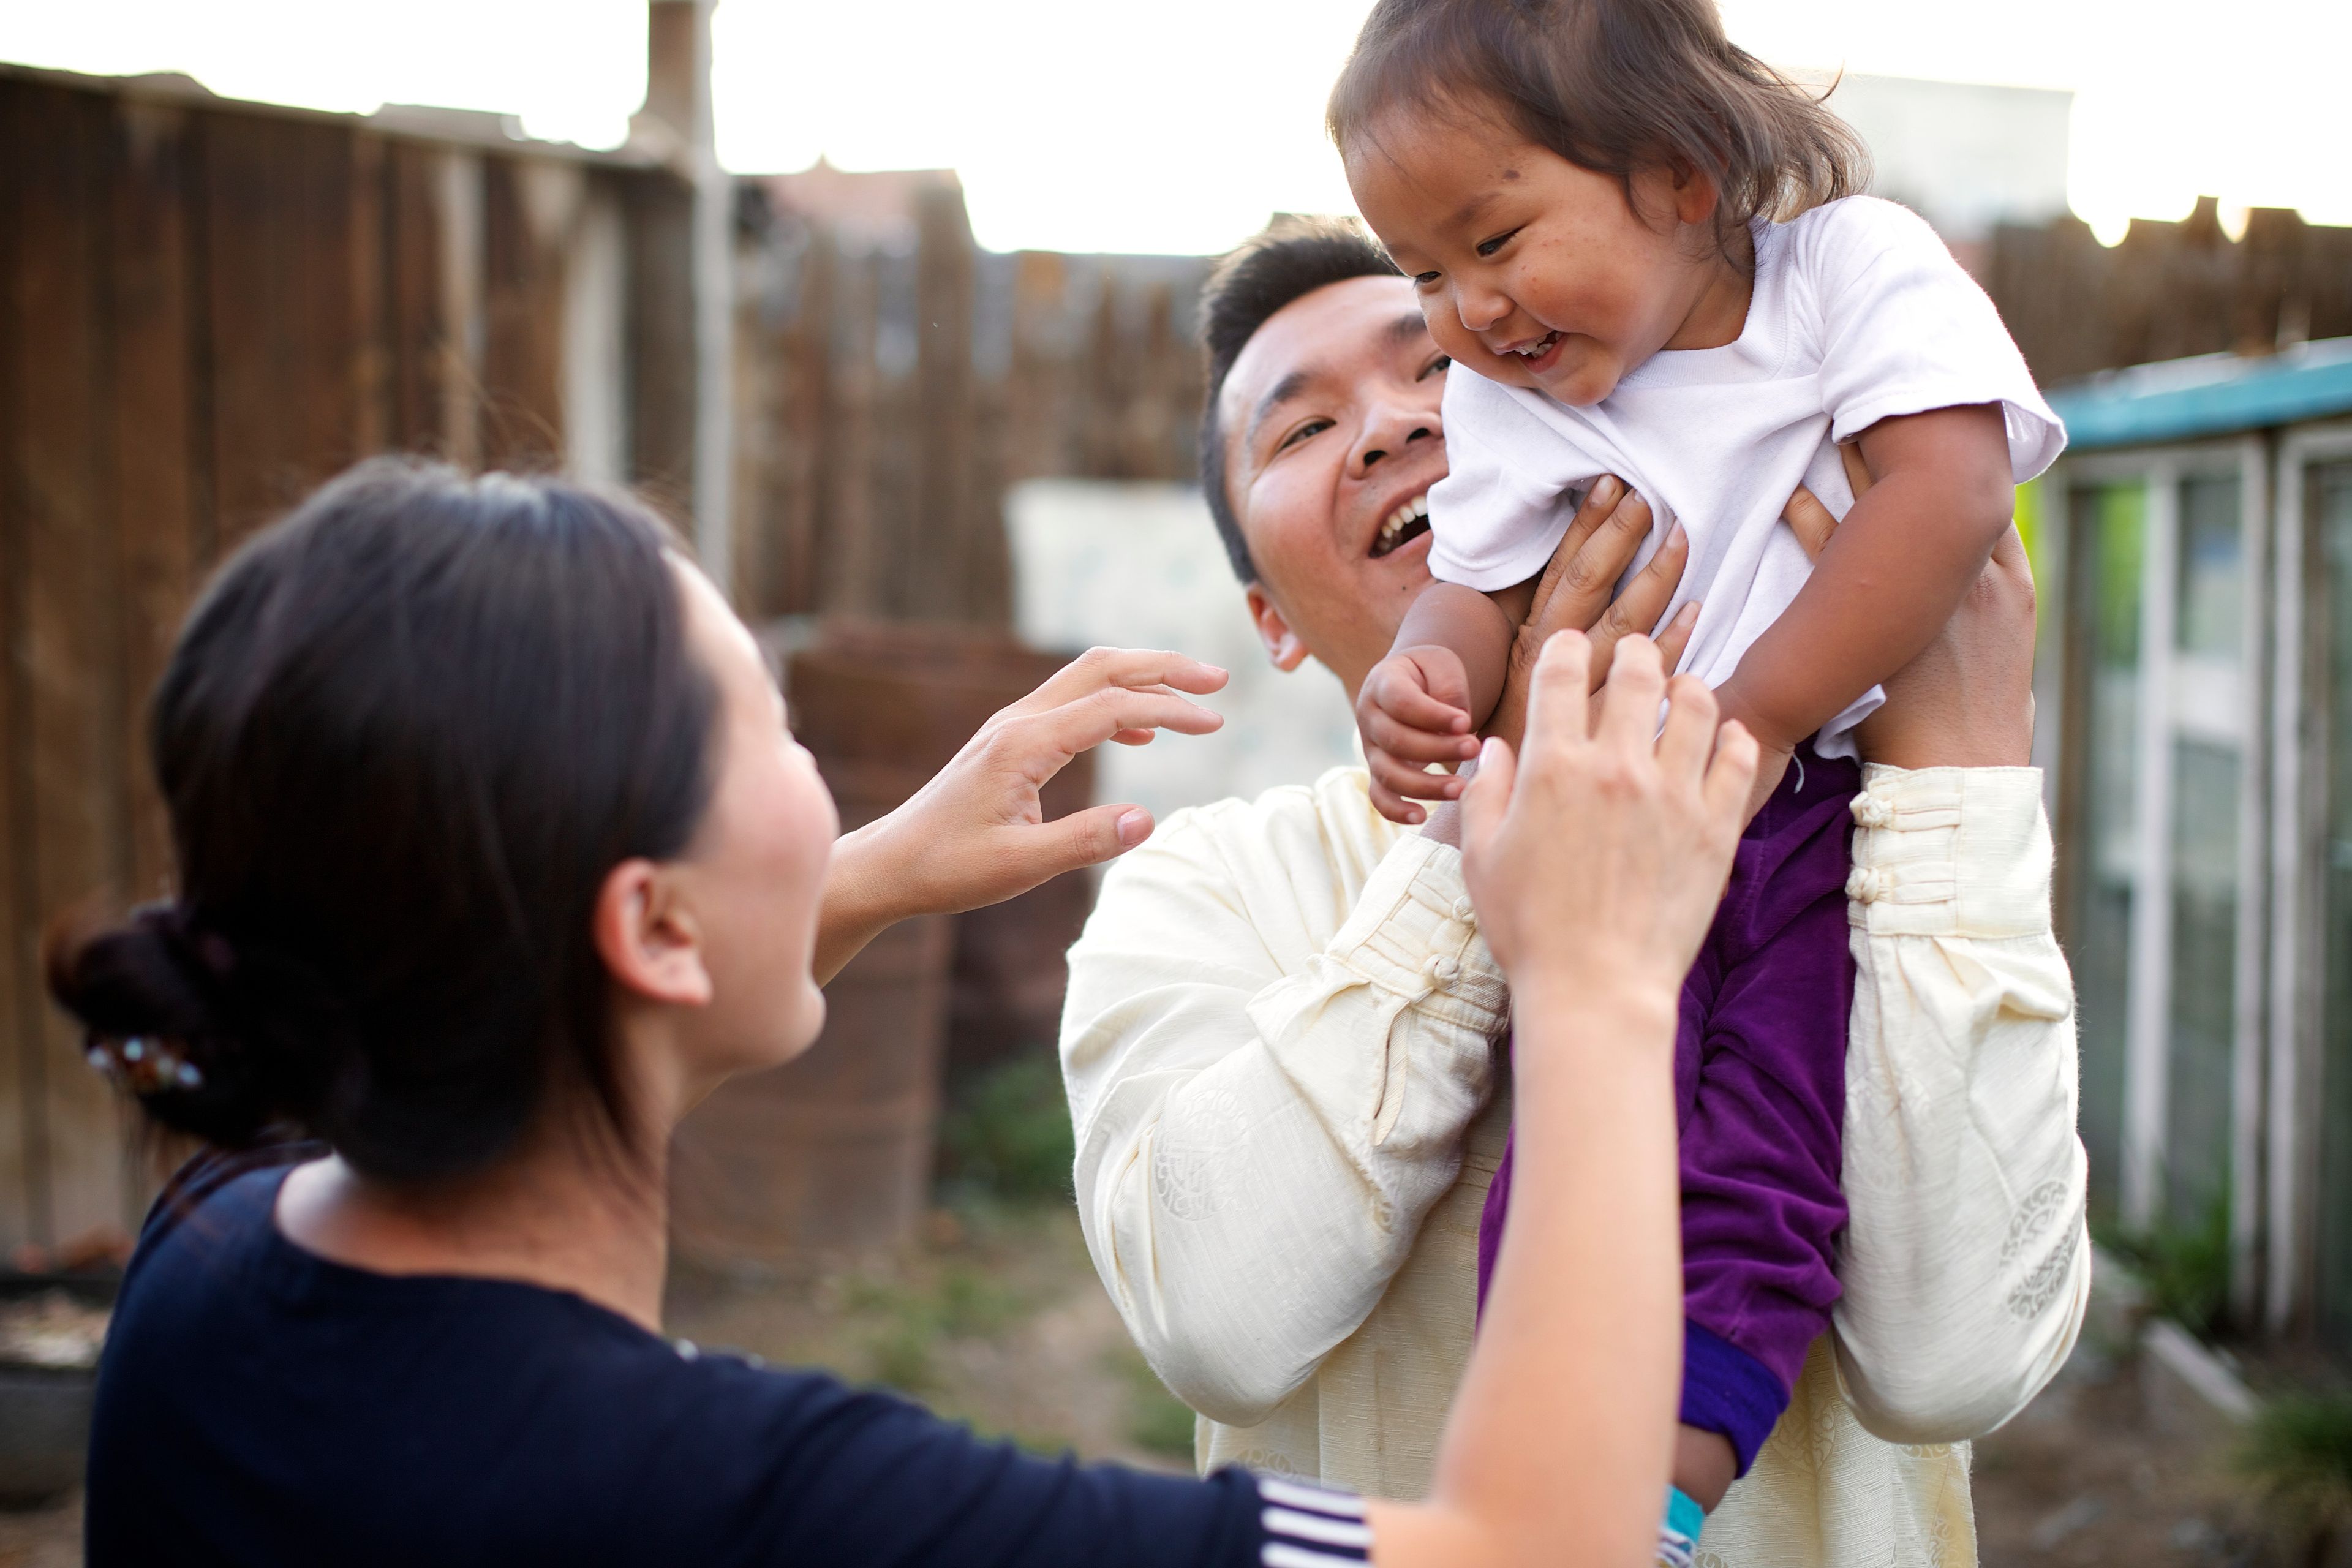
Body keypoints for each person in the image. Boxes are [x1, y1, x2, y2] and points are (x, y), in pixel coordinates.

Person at [53, 458, 1753, 1568]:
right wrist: (1597, 978)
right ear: (649, 926)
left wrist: (841, 881)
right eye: (772, 737)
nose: (818, 780)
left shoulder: (211, 1267)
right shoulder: (765, 1507)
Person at [1061, 219, 2087, 1566]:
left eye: (1434, 367)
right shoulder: (1210, 884)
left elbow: (1957, 1358)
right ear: (1274, 621)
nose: (1385, 424)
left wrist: (1960, 777)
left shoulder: (1872, 836)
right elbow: (1219, 1320)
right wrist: (1483, 815)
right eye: (1299, 431)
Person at [1319, 0, 2068, 1533]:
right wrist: (1424, 681)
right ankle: (1562, 1466)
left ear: (1678, 172)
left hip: (1810, 824)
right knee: (1597, 1124)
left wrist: (1755, 719)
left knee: (1774, 1133)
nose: (1470, 308)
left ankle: (1669, 1482)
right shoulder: (1512, 398)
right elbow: (1476, 582)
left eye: (1496, 237)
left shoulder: (1847, 273)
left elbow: (1948, 491)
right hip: (1606, 819)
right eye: (1424, 275)